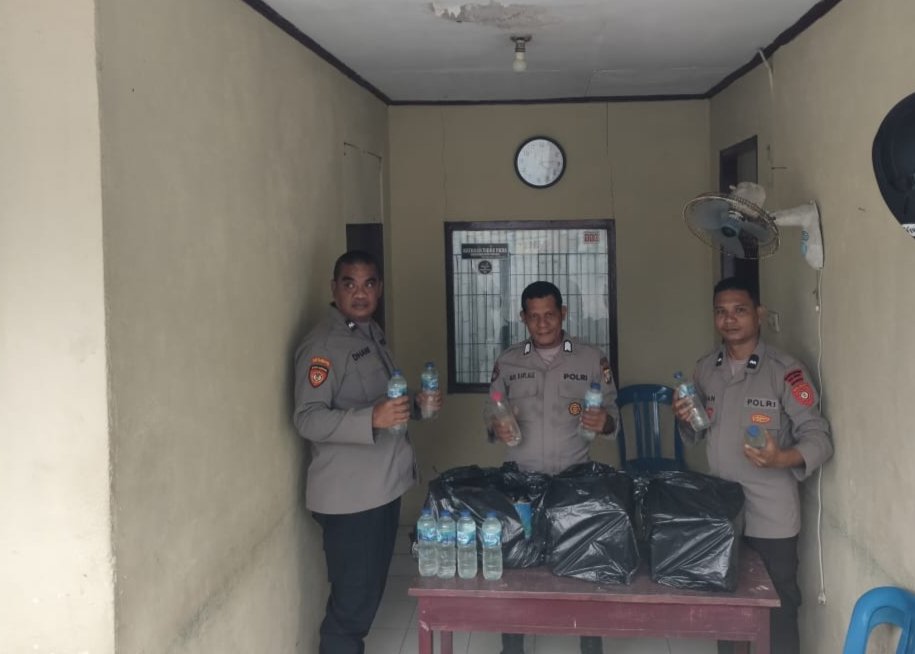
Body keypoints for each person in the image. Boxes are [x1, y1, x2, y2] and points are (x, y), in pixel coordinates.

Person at [673, 276, 833, 654]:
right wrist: (684, 417)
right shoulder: (705, 368)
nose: (729, 320)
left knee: (778, 605)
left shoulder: (785, 371)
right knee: (726, 603)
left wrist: (782, 458)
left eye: (740, 310)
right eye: (721, 312)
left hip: (770, 513)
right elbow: (696, 432)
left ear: (759, 314)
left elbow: (819, 439)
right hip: (723, 511)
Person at [293, 250, 442, 654]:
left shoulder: (369, 333)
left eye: (369, 283)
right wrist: (371, 418)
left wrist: (415, 404)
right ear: (334, 288)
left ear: (379, 288)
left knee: (366, 597)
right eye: (350, 284)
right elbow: (307, 419)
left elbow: (383, 401)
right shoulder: (323, 345)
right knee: (351, 609)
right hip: (352, 499)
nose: (360, 293)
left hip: (381, 490)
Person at [488, 280, 619, 654]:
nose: (542, 323)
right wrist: (496, 424)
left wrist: (603, 422)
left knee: (582, 564)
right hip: (522, 482)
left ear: (563, 313)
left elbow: (612, 413)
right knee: (517, 565)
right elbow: (491, 410)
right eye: (534, 316)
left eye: (550, 314)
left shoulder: (590, 358)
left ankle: (590, 646)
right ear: (523, 318)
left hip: (574, 479)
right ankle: (512, 646)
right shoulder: (509, 361)